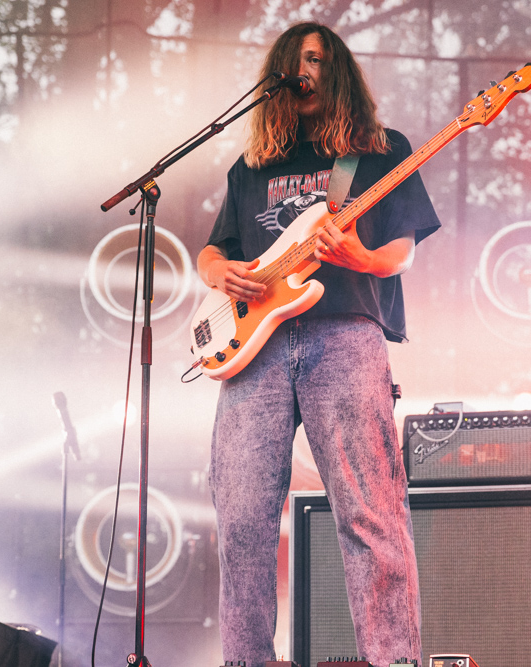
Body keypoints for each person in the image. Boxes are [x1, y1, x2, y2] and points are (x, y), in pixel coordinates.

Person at [197, 21, 440, 667]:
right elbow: (213, 251)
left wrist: (359, 255)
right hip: (256, 350)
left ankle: (392, 659)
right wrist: (218, 271)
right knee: (243, 518)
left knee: (369, 513)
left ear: (339, 74)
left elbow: (401, 253)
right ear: (281, 70)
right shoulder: (252, 166)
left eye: (321, 58)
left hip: (344, 336)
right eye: (299, 58)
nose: (309, 67)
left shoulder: (379, 150)